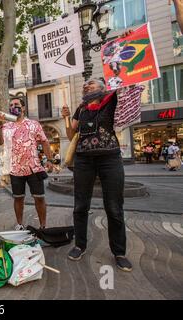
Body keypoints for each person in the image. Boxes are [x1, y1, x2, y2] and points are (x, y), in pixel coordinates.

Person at [61, 75, 134, 272]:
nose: (86, 86)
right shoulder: (81, 108)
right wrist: (66, 118)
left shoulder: (111, 100)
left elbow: (125, 94)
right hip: (84, 160)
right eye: (85, 85)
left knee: (114, 206)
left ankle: (119, 252)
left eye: (90, 84)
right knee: (80, 205)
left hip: (110, 158)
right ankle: (80, 245)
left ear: (102, 88)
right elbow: (70, 135)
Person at [0, 98, 53, 231]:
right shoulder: (6, 126)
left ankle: (43, 226)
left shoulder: (34, 124)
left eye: (16, 105)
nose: (13, 107)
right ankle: (20, 224)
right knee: (18, 198)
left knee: (39, 198)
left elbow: (44, 141)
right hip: (15, 169)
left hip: (34, 168)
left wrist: (49, 160)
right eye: (11, 105)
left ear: (23, 108)